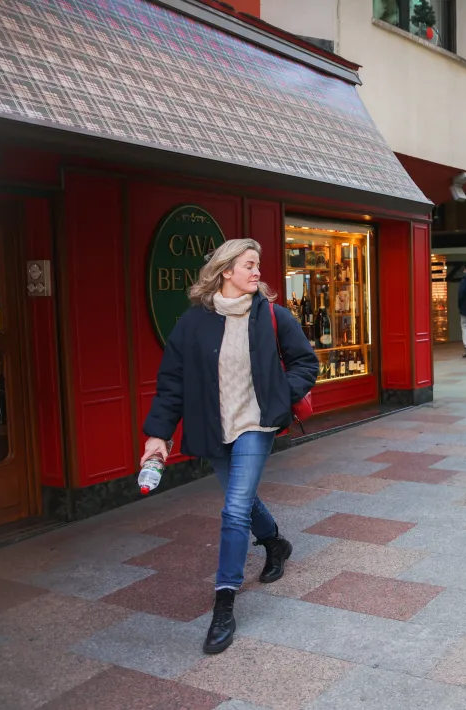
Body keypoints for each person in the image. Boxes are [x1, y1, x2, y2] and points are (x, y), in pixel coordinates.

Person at [142, 238, 318, 654]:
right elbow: (171, 383)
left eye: (258, 264)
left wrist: (277, 397)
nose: (257, 272)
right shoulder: (192, 323)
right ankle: (275, 542)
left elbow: (305, 362)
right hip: (213, 427)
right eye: (249, 265)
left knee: (234, 508)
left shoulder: (274, 316)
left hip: (255, 425)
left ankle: (224, 603)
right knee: (244, 499)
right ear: (225, 271)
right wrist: (157, 434)